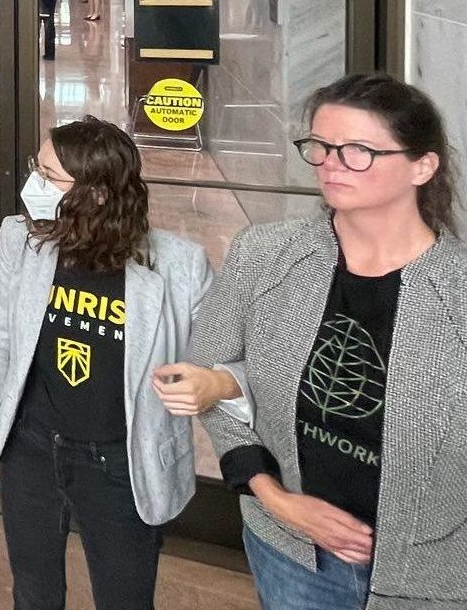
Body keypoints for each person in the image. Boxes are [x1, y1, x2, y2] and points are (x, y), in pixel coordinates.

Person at [179, 73, 467, 610]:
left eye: (358, 150)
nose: (331, 163)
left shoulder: (457, 293)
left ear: (422, 166)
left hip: (435, 576)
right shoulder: (264, 256)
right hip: (290, 554)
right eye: (322, 146)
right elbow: (210, 378)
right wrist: (278, 500)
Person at [0, 117, 214, 610]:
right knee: (33, 592)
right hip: (31, 448)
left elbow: (226, 366)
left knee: (124, 597)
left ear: (96, 195)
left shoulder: (179, 267)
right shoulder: (23, 239)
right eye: (39, 167)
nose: (34, 183)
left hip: (119, 465)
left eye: (50, 175)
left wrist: (214, 386)